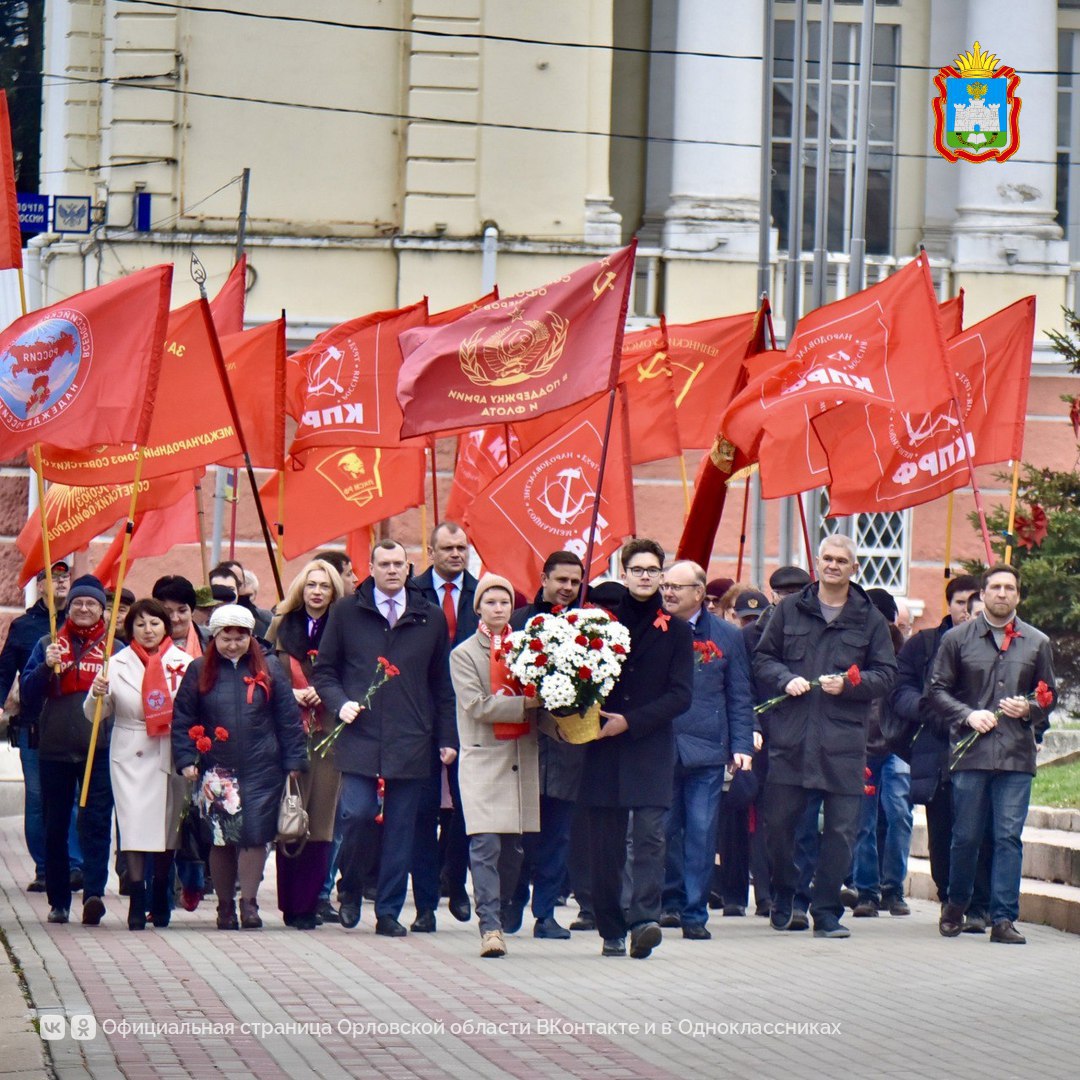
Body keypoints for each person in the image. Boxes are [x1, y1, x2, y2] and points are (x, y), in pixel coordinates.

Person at [754, 534, 896, 939]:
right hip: (792, 739)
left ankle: (827, 911)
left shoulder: (869, 619)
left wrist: (850, 685)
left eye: (841, 560)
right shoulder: (789, 610)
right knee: (778, 827)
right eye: (827, 558)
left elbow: (887, 674)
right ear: (817, 563)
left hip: (843, 744)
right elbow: (762, 658)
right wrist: (786, 678)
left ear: (855, 568)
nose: (833, 565)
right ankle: (786, 893)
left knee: (841, 832)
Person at [313, 539, 457, 936]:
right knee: (357, 813)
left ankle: (389, 911)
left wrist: (447, 737)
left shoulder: (428, 616)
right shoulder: (347, 612)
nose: (392, 570)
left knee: (400, 827)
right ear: (371, 568)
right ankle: (351, 886)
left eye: (399, 564)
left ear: (408, 569)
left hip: (411, 736)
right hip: (360, 732)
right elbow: (325, 671)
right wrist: (340, 703)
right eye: (384, 564)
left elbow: (441, 685)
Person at [581, 539, 694, 959]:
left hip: (649, 746)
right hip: (603, 748)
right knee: (606, 846)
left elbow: (681, 695)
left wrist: (632, 721)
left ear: (662, 576)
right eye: (637, 569)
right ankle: (611, 926)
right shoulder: (599, 624)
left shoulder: (677, 630)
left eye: (652, 570)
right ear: (623, 574)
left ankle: (644, 920)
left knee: (650, 838)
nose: (645, 576)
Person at [932, 563, 1055, 945]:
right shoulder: (957, 639)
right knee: (966, 836)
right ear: (982, 594)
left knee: (1008, 837)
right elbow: (936, 691)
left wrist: (1029, 708)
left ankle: (1003, 918)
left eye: (1010, 588)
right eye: (996, 587)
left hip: (1016, 755)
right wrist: (968, 715)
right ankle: (957, 904)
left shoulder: (1037, 642)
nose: (1003, 593)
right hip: (971, 754)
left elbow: (1048, 695)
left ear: (1018, 595)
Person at [172, 605, 306, 930]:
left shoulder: (269, 668)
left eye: (240, 638)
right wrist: (186, 759)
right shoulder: (199, 670)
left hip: (263, 768)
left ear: (251, 638)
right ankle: (224, 906)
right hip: (218, 769)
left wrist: (293, 760)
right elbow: (183, 719)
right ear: (214, 638)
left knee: (255, 836)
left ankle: (249, 903)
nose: (233, 645)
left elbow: (288, 719)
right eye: (226, 638)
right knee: (222, 837)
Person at [658, 560, 754, 939]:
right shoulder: (654, 627)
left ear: (699, 593)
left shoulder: (727, 636)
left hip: (707, 750)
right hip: (661, 746)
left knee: (701, 832)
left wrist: (742, 744)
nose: (668, 592)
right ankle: (668, 901)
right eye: (665, 586)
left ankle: (694, 913)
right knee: (664, 831)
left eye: (676, 587)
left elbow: (740, 694)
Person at [450, 574, 542, 957]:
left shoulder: (529, 648)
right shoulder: (464, 654)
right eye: (490, 602)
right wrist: (527, 704)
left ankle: (500, 911)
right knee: (484, 843)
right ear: (479, 609)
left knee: (512, 850)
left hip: (520, 756)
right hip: (483, 758)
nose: (499, 608)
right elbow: (477, 705)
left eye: (505, 602)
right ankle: (489, 926)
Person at [86, 599, 193, 930]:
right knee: (133, 825)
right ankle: (136, 896)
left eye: (155, 623)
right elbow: (93, 714)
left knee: (166, 828)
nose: (148, 630)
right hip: (130, 750)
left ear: (166, 626)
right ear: (130, 628)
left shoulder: (183, 663)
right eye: (141, 624)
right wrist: (97, 693)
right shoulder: (116, 664)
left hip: (170, 749)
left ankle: (160, 892)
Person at [22, 575, 121, 925]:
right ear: (68, 607)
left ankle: (93, 893)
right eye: (78, 602)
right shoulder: (48, 643)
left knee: (96, 823)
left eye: (91, 603)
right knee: (56, 825)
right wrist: (45, 667)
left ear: (102, 611)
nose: (84, 608)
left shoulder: (115, 649)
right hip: (55, 750)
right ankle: (59, 901)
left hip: (100, 749)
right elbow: (28, 694)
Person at [506, 550, 587, 939]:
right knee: (520, 834)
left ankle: (546, 913)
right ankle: (512, 902)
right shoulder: (519, 622)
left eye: (575, 582)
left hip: (569, 747)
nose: (567, 588)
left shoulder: (589, 628)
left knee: (558, 836)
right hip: (525, 745)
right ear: (544, 579)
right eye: (561, 580)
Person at [890, 574, 979, 908]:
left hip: (981, 746)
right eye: (960, 602)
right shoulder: (924, 645)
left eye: (972, 602)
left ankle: (978, 900)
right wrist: (928, 709)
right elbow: (899, 690)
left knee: (977, 828)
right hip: (936, 747)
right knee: (941, 829)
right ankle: (948, 896)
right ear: (950, 605)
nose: (966, 610)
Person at [267, 559, 346, 930]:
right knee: (291, 816)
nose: (317, 592)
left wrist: (327, 693)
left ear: (334, 592)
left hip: (328, 732)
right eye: (312, 584)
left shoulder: (344, 626)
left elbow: (355, 672)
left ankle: (311, 902)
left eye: (325, 586)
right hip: (289, 731)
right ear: (302, 588)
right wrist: (291, 693)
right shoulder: (281, 624)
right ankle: (291, 903)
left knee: (321, 820)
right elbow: (264, 670)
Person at [409, 522, 478, 929]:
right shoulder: (412, 593)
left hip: (470, 712)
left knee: (467, 809)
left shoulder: (481, 595)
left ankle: (454, 877)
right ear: (431, 552)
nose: (456, 554)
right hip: (423, 714)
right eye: (448, 548)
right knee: (422, 811)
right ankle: (424, 906)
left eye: (461, 548)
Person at [0, 560, 80, 893]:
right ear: (41, 585)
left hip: (73, 725)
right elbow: (5, 671)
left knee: (72, 797)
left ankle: (73, 865)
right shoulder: (23, 627)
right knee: (37, 798)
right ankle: (45, 867)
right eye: (53, 577)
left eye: (65, 576)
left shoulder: (80, 623)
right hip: (33, 725)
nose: (61, 582)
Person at [851, 589, 912, 919]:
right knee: (863, 822)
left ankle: (893, 887)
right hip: (861, 746)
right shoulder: (853, 648)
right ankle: (866, 891)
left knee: (899, 814)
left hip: (897, 746)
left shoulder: (903, 654)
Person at [153, 575, 209, 657]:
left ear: (192, 611)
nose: (175, 619)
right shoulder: (145, 641)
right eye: (168, 611)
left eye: (182, 611)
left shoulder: (211, 639)